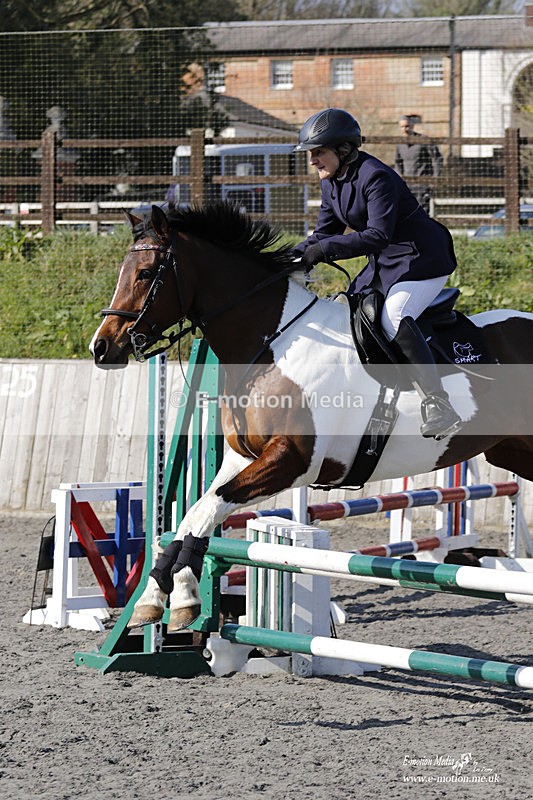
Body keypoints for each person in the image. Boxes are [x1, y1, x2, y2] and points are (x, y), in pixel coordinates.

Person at [292, 107, 463, 441]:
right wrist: (294, 256)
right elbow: (323, 233)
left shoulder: (375, 176)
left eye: (318, 152)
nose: (312, 160)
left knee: (394, 316)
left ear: (342, 150)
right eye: (310, 154)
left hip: (421, 258)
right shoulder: (332, 181)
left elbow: (377, 235)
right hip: (386, 262)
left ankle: (437, 403)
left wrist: (324, 251)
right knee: (345, 311)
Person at [394, 114, 442, 214]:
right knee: (406, 213)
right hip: (406, 185)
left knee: (422, 213)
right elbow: (398, 163)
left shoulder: (423, 139)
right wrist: (399, 180)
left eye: (407, 126)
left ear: (412, 126)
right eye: (402, 127)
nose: (405, 129)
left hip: (422, 184)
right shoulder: (399, 143)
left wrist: (435, 179)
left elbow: (437, 158)